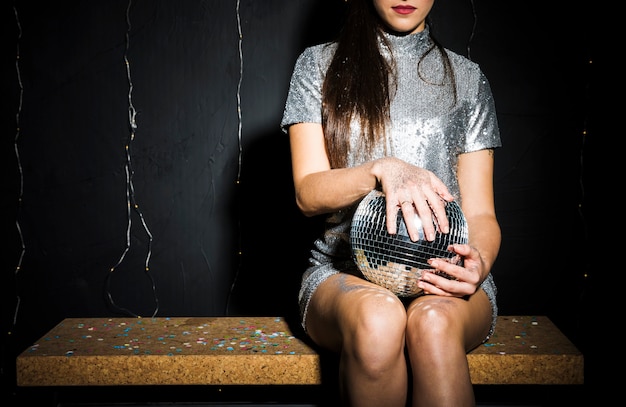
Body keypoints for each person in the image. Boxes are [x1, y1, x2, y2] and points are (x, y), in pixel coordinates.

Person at [280, 0, 501, 406]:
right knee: (379, 319)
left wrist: (478, 263)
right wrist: (380, 169)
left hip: (445, 276)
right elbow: (307, 193)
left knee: (433, 324)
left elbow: (482, 214)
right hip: (343, 274)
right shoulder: (318, 64)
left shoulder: (468, 79)